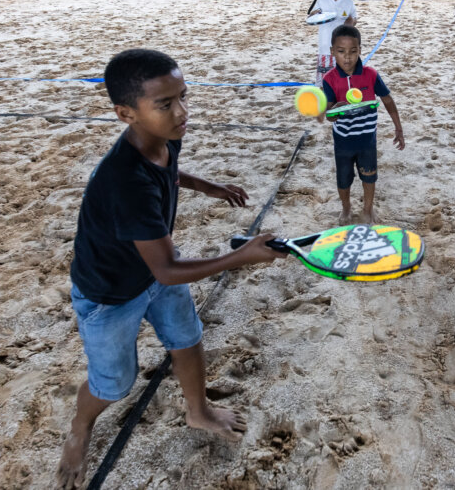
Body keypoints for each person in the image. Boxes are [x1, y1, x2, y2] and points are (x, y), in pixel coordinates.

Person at [56, 49, 284, 489]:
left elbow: (172, 172)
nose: (182, 112)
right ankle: (81, 427)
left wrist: (211, 187)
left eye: (183, 96)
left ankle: (197, 411)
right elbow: (168, 271)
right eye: (166, 104)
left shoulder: (165, 136)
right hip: (109, 294)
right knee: (112, 384)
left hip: (154, 271)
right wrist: (241, 256)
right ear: (126, 114)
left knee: (187, 337)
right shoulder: (124, 182)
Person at [321, 25, 404, 225]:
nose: (347, 58)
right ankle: (346, 207)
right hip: (343, 141)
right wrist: (338, 108)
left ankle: (368, 209)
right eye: (341, 52)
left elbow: (388, 100)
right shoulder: (329, 79)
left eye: (353, 52)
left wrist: (398, 128)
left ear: (360, 50)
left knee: (369, 176)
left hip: (367, 139)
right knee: (343, 178)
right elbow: (329, 115)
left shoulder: (370, 75)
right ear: (332, 51)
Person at [309, 0, 357, 85]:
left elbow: (353, 19)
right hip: (325, 48)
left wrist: (348, 23)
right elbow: (312, 17)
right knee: (324, 83)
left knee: (343, 82)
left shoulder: (348, 2)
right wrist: (315, 15)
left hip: (343, 50)